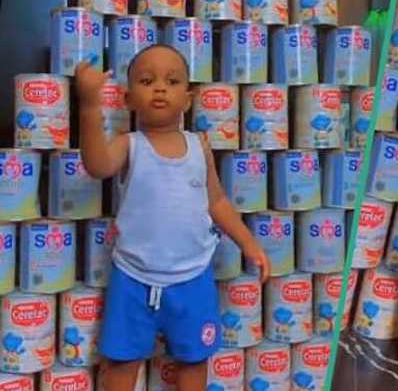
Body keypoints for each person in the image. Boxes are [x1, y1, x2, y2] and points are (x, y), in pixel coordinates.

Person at [75, 45, 271, 391]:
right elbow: (96, 165)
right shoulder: (128, 144)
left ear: (188, 99)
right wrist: (90, 106)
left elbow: (218, 201)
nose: (160, 88)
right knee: (122, 362)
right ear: (129, 99)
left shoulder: (200, 146)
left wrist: (249, 243)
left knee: (194, 360)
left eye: (173, 80)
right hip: (133, 276)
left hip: (192, 275)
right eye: (147, 80)